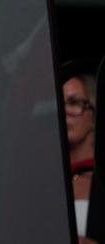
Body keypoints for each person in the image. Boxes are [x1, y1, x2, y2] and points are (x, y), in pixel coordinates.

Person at [62, 67, 97, 239]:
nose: (65, 112)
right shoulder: (48, 176)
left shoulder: (100, 178)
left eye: (74, 103)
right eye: (61, 104)